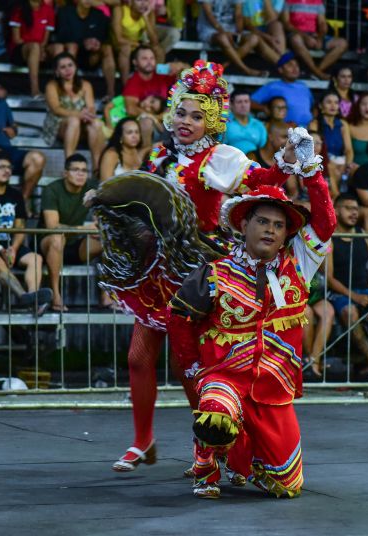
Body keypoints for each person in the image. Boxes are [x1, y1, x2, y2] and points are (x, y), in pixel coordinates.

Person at [84, 60, 311, 474]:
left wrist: (287, 160)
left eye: (196, 115)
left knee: (194, 367)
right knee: (138, 358)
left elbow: (263, 180)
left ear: (211, 121)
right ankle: (142, 441)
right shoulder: (157, 154)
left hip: (199, 273)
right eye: (181, 112)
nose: (185, 122)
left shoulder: (222, 157)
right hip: (156, 272)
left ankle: (208, 448)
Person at [166, 160, 335, 499]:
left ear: (287, 232)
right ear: (243, 224)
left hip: (274, 389)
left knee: (289, 486)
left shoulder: (299, 263)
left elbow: (327, 222)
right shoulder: (215, 272)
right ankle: (206, 468)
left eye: (278, 224)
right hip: (224, 376)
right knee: (216, 413)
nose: (270, 230)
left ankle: (241, 456)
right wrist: (193, 366)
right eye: (262, 221)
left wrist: (313, 175)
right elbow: (178, 317)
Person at [0, 151, 52, 316]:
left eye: (9, 167)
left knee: (35, 258)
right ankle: (23, 296)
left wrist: (14, 248)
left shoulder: (15, 194)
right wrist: (1, 248)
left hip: (10, 246)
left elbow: (20, 226)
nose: (7, 171)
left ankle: (33, 296)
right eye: (1, 167)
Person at [323, 192, 368, 380]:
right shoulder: (329, 239)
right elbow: (329, 278)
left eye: (356, 209)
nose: (354, 213)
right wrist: (355, 297)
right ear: (336, 211)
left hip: (365, 290)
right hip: (340, 293)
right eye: (348, 208)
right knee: (350, 312)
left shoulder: (364, 235)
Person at [0, 68, 46, 203]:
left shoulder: (1, 103)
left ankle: (21, 202)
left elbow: (13, 127)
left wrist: (14, 131)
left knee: (37, 158)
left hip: (6, 149)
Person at [39, 154, 100, 312]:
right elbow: (52, 226)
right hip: (48, 244)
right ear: (65, 173)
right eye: (75, 170)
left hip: (74, 246)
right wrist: (84, 229)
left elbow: (101, 215)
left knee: (107, 240)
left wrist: (99, 227)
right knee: (57, 238)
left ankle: (107, 297)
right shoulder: (52, 189)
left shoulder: (90, 189)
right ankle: (56, 295)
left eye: (84, 170)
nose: (80, 174)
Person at [42, 52, 106, 169]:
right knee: (73, 121)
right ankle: (69, 164)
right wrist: (78, 115)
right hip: (59, 124)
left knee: (96, 123)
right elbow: (56, 109)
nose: (67, 70)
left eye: (70, 65)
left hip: (82, 123)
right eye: (63, 67)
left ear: (75, 67)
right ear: (56, 71)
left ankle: (97, 168)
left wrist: (89, 115)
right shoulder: (51, 86)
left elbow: (91, 107)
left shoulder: (85, 85)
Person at [48, 0, 116, 98]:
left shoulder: (99, 15)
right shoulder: (65, 12)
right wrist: (83, 42)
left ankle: (111, 93)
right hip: (70, 53)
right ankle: (66, 89)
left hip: (90, 56)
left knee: (107, 48)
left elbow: (103, 37)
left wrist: (96, 43)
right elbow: (62, 36)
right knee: (72, 46)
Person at [197, 0, 276, 77]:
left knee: (254, 38)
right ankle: (246, 70)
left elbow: (239, 15)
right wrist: (223, 32)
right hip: (209, 30)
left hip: (232, 31)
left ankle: (224, 66)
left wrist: (239, 34)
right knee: (223, 38)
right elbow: (209, 14)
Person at [281, 0, 348, 80]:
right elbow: (286, 23)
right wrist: (305, 37)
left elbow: (322, 23)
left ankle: (316, 71)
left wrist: (320, 38)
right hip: (296, 33)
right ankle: (318, 73)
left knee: (342, 43)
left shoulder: (317, 2)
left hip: (314, 35)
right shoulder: (288, 1)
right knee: (296, 39)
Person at [251, 52, 313, 127]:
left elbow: (312, 107)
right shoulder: (273, 86)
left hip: (307, 130)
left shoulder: (304, 87)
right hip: (285, 130)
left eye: (297, 65)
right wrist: (264, 108)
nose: (295, 68)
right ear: (280, 70)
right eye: (290, 65)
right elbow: (250, 102)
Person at [8, 0, 55, 98]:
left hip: (40, 47)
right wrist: (36, 48)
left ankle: (59, 90)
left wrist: (41, 49)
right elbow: (17, 39)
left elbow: (45, 39)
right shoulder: (19, 10)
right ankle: (35, 90)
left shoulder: (48, 10)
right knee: (34, 47)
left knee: (57, 48)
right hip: (20, 50)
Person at [113, 0, 165, 82]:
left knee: (158, 50)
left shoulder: (149, 13)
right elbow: (118, 38)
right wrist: (136, 44)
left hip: (135, 45)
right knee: (125, 48)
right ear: (131, 1)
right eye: (139, 0)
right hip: (119, 45)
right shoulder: (120, 10)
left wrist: (145, 17)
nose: (143, 3)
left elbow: (154, 41)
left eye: (146, 1)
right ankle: (126, 87)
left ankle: (154, 84)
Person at [98, 117, 143, 181]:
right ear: (120, 136)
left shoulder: (140, 153)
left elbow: (156, 150)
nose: (134, 136)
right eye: (129, 132)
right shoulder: (111, 154)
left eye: (137, 132)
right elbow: (104, 185)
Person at [225, 90, 267, 155]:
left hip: (254, 163)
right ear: (231, 105)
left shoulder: (259, 125)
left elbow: (264, 150)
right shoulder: (225, 124)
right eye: (239, 102)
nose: (243, 105)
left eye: (246, 101)